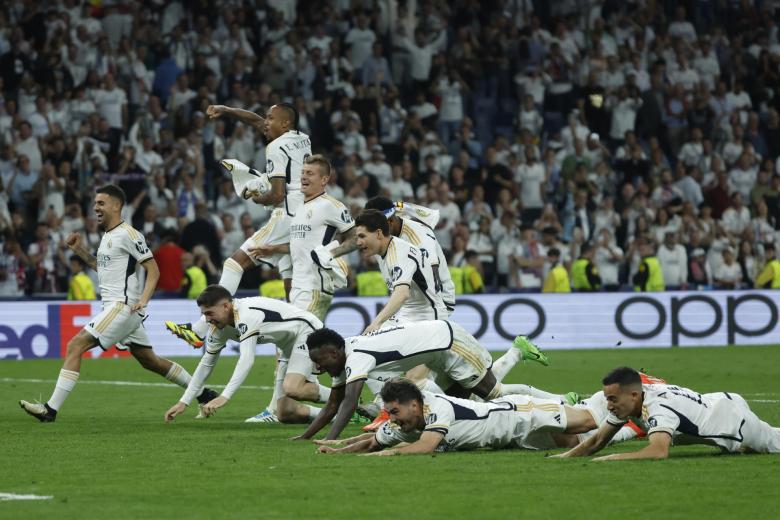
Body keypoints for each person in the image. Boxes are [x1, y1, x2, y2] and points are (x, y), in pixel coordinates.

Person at [20, 184, 216, 422]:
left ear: (116, 205)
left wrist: (143, 301)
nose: (95, 207)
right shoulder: (108, 237)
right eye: (95, 203)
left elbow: (153, 270)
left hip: (122, 306)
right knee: (149, 360)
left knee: (75, 345)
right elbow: (101, 267)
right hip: (120, 308)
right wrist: (78, 250)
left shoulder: (129, 234)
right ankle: (203, 393)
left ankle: (49, 410)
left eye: (101, 203)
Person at [166, 102, 310, 347]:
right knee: (291, 281)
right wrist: (229, 110)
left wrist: (255, 195)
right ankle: (300, 339)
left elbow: (277, 195)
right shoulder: (302, 139)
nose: (266, 122)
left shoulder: (275, 147)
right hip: (305, 212)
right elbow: (257, 123)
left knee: (234, 263)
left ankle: (200, 330)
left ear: (285, 123)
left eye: (271, 118)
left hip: (286, 213)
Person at [297, 320, 562, 440]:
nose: (318, 367)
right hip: (438, 352)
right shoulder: (344, 358)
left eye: (320, 361)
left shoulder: (356, 356)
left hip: (450, 343)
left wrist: (332, 440)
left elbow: (349, 402)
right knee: (461, 404)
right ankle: (520, 358)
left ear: (334, 352)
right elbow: (333, 404)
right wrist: (306, 436)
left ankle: (560, 401)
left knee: (492, 394)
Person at [243, 155, 355, 423]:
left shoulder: (331, 206)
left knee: (290, 357)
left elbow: (354, 236)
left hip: (315, 289)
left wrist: (332, 255)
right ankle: (277, 409)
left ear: (325, 179)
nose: (304, 177)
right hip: (298, 290)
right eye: (302, 172)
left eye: (311, 173)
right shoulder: (301, 206)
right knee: (285, 351)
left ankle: (350, 403)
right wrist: (274, 248)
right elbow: (300, 245)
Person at [163, 285, 331, 424]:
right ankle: (337, 413)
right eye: (204, 314)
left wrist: (224, 397)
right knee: (285, 413)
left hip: (308, 331)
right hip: (286, 345)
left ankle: (346, 401)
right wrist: (183, 402)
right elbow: (206, 364)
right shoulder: (218, 329)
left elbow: (246, 359)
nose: (207, 320)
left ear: (226, 306)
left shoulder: (246, 315)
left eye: (209, 313)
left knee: (293, 388)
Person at [315, 378, 595, 455]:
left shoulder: (438, 407)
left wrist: (386, 455)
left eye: (395, 412)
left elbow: (425, 447)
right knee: (574, 443)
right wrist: (339, 451)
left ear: (414, 404)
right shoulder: (406, 422)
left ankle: (616, 409)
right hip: (513, 439)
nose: (393, 419)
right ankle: (628, 428)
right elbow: (373, 441)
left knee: (589, 421)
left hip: (520, 413)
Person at [552, 366, 780, 460]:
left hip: (734, 423)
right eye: (607, 399)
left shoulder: (658, 408)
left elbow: (658, 451)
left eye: (612, 399)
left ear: (632, 395)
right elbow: (597, 441)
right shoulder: (630, 402)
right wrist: (562, 459)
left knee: (774, 444)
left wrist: (613, 458)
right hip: (719, 401)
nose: (609, 406)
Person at [351, 210, 446, 334]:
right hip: (406, 315)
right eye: (357, 237)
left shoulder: (400, 252)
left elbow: (402, 294)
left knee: (372, 340)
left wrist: (376, 323)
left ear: (379, 234)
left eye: (362, 236)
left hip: (427, 318)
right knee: (364, 341)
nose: (358, 242)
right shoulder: (381, 253)